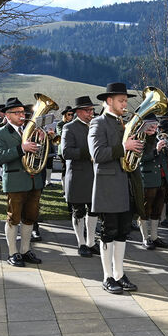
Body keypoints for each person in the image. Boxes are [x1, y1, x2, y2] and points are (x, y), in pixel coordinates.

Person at [89, 82, 147, 293]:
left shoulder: (124, 124)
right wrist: (124, 147)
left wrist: (142, 142)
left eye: (125, 101)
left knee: (123, 232)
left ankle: (119, 274)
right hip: (108, 186)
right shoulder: (98, 123)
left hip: (126, 185)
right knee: (109, 231)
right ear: (109, 101)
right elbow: (97, 154)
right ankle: (107, 276)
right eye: (121, 101)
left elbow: (134, 153)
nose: (125, 104)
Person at [0, 97, 46, 266]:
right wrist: (21, 148)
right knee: (13, 218)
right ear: (7, 115)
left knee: (30, 217)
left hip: (34, 180)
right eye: (17, 113)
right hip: (15, 181)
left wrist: (43, 141)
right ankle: (12, 253)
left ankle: (25, 250)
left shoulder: (32, 131)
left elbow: (40, 153)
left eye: (23, 112)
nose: (22, 115)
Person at [62, 95, 100, 256]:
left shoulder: (96, 125)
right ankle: (81, 243)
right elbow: (66, 152)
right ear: (78, 112)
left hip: (95, 175)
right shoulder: (69, 127)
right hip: (77, 175)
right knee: (78, 211)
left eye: (92, 110)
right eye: (87, 110)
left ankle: (91, 242)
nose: (91, 113)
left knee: (93, 211)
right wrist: (90, 152)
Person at [139, 117, 168, 250]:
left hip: (161, 179)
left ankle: (154, 237)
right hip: (148, 179)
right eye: (151, 126)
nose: (154, 129)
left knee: (157, 210)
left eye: (155, 126)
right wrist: (156, 150)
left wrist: (167, 148)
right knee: (145, 210)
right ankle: (145, 238)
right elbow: (141, 158)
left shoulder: (158, 138)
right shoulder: (139, 139)